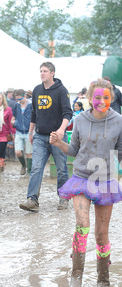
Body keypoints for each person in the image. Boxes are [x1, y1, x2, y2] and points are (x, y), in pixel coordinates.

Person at [50, 79, 122, 287]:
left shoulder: (118, 122)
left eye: (106, 97)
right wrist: (60, 144)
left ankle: (103, 280)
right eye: (97, 97)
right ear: (89, 98)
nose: (101, 101)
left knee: (101, 234)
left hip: (105, 180)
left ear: (111, 98)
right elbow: (75, 149)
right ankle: (76, 276)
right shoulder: (80, 120)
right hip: (82, 179)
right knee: (83, 224)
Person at [19, 61, 73, 212]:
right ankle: (32, 200)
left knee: (62, 168)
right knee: (36, 167)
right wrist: (31, 132)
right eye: (40, 71)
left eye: (45, 71)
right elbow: (34, 113)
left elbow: (68, 113)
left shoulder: (61, 90)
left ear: (52, 73)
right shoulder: (37, 90)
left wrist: (62, 130)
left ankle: (63, 197)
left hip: (57, 136)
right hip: (40, 137)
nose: (42, 73)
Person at [12, 89, 33, 175]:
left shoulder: (31, 105)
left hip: (29, 132)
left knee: (29, 153)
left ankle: (29, 171)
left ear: (24, 96)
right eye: (17, 99)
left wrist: (32, 130)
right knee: (17, 151)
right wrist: (14, 122)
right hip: (19, 132)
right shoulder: (16, 106)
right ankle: (23, 165)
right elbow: (13, 117)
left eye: (20, 99)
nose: (19, 101)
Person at [0, 92, 15, 172]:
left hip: (4, 135)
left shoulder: (8, 109)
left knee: (1, 151)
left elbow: (10, 123)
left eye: (0, 99)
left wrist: (13, 133)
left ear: (3, 99)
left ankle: (1, 166)